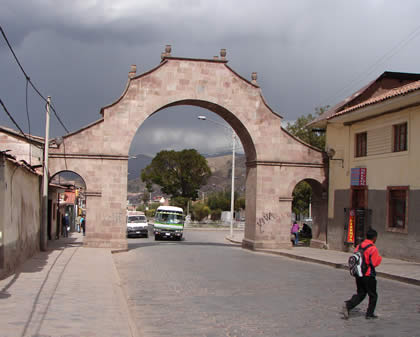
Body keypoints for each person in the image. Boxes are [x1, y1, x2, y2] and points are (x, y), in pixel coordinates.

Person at [342, 228, 382, 320]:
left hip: (359, 274)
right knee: (373, 295)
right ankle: (369, 314)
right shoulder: (373, 248)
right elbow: (374, 263)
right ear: (375, 238)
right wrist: (380, 259)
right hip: (368, 275)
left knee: (361, 293)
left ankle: (348, 305)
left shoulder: (359, 246)